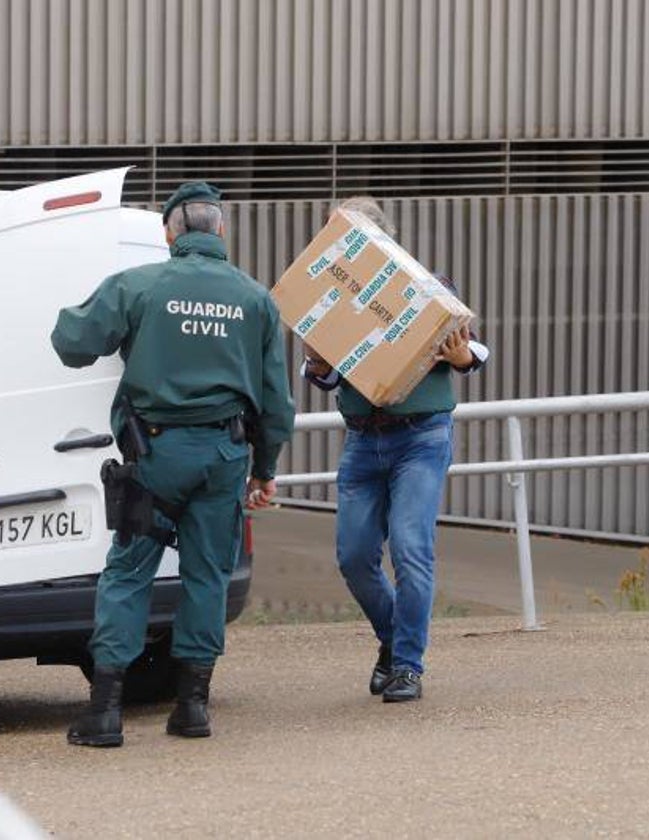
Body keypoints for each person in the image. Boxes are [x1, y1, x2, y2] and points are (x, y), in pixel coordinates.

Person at [51, 181, 295, 747]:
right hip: (224, 456)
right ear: (221, 230)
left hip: (156, 454)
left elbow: (71, 341)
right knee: (207, 574)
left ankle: (106, 712)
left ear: (169, 233)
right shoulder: (255, 299)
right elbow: (276, 400)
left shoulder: (138, 285)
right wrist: (265, 467)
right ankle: (193, 708)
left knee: (130, 572)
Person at [303, 196, 489, 704]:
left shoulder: (429, 287)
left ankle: (407, 664)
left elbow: (470, 347)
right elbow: (329, 371)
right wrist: (317, 365)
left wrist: (463, 355)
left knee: (411, 549)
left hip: (420, 438)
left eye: (338, 235)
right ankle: (393, 640)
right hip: (364, 438)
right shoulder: (334, 296)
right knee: (354, 555)